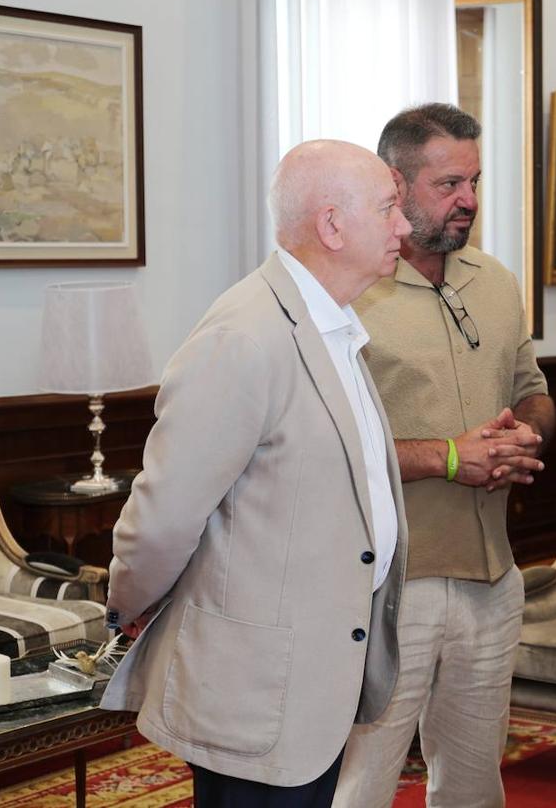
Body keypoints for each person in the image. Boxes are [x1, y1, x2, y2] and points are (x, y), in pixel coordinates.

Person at [100, 140, 412, 807]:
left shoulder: (332, 327)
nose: (404, 227)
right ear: (332, 225)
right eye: (389, 208)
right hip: (255, 697)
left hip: (310, 688)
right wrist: (128, 602)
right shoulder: (245, 335)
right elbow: (163, 515)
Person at [333, 103, 555, 808]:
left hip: (494, 576)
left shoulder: (494, 280)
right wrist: (449, 458)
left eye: (476, 181)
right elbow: (326, 443)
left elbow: (534, 391)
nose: (470, 201)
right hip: (390, 585)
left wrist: (527, 434)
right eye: (449, 184)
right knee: (361, 783)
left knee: (473, 784)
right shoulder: (348, 291)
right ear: (394, 185)